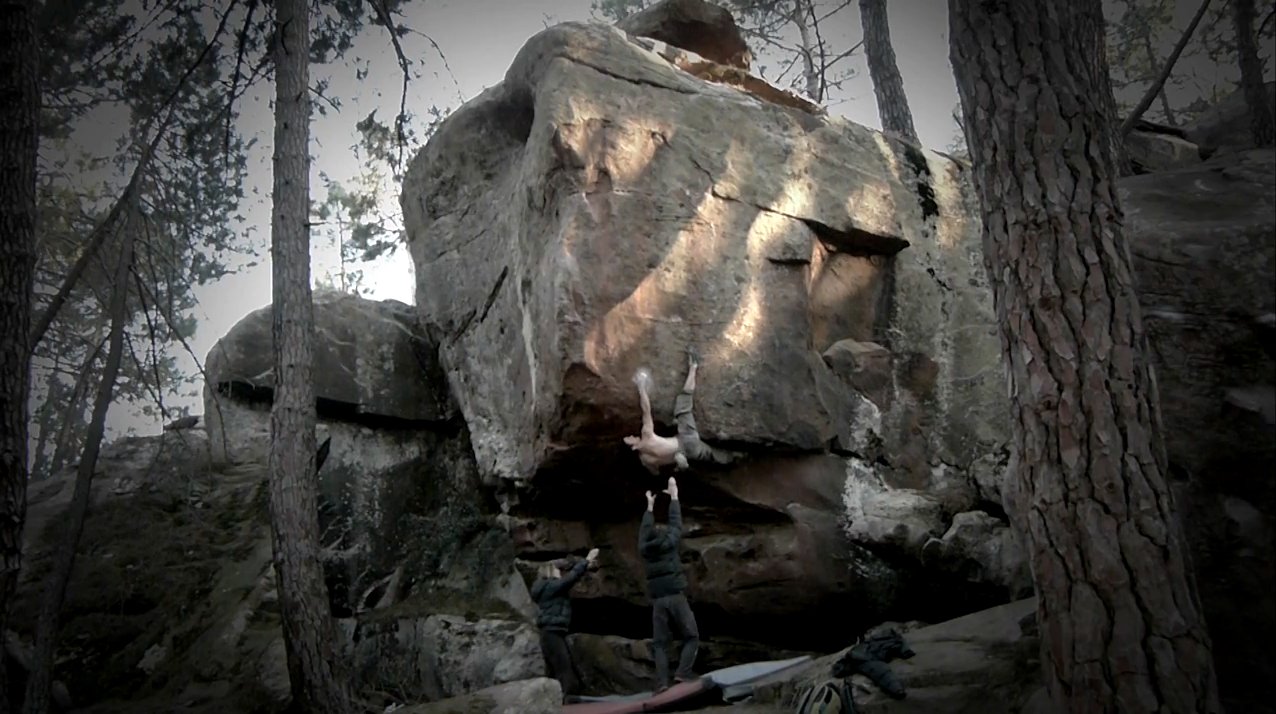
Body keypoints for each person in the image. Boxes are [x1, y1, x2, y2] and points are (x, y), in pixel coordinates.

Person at [624, 346, 738, 474]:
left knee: (711, 454)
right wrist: (642, 388)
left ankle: (733, 458)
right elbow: (646, 410)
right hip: (686, 439)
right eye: (630, 438)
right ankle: (694, 366)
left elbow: (656, 472)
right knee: (684, 402)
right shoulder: (646, 436)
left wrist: (678, 464)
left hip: (687, 453)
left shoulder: (645, 459)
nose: (632, 435)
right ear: (633, 447)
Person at [639, 476, 700, 692]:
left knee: (660, 644)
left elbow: (644, 532)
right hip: (675, 596)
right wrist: (674, 495)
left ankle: (662, 683)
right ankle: (683, 673)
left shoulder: (644, 549)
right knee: (691, 635)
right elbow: (676, 523)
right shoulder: (669, 543)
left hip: (658, 601)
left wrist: (649, 506)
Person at [530, 547, 599, 700]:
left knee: (556, 670)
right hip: (551, 633)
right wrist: (586, 560)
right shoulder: (550, 587)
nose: (560, 572)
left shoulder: (547, 587)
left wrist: (584, 565)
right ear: (549, 572)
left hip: (553, 632)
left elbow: (570, 575)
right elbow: (571, 578)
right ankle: (568, 702)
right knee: (565, 670)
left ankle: (554, 701)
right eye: (557, 570)